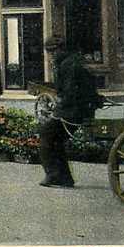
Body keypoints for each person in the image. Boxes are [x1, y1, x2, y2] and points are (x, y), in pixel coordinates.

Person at [38, 36, 103, 188]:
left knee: (46, 133)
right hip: (82, 109)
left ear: (57, 50)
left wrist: (57, 109)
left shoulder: (68, 65)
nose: (50, 56)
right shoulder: (74, 61)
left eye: (51, 52)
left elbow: (70, 93)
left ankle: (53, 174)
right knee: (57, 139)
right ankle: (65, 178)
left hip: (73, 112)